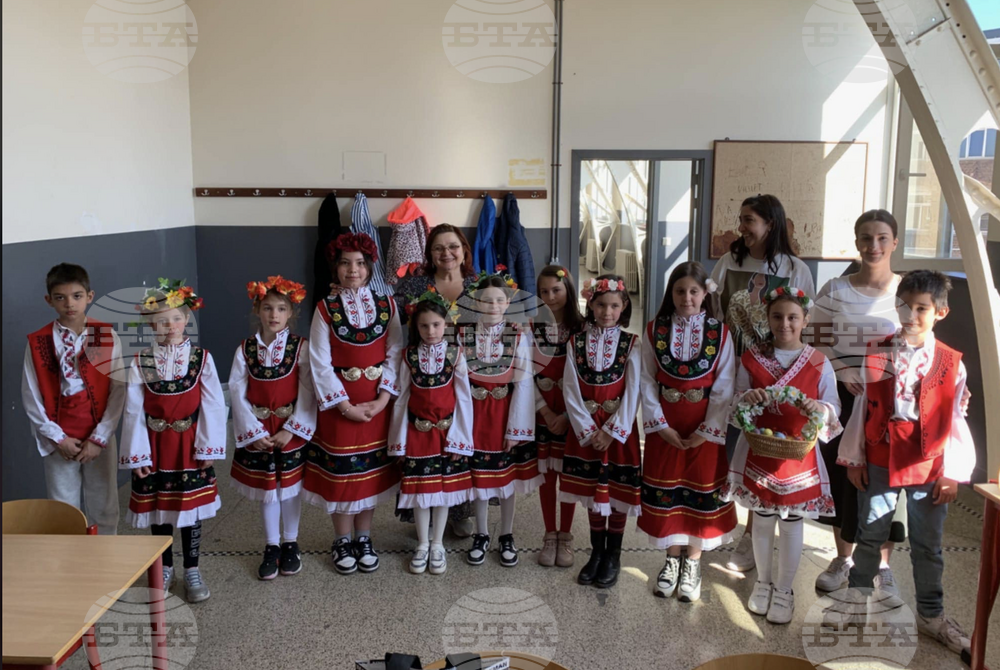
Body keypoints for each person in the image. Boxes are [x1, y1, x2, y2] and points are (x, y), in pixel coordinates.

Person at [831, 270, 976, 656]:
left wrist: (952, 473)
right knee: (869, 535)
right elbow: (863, 407)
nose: (911, 315)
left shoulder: (952, 363)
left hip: (929, 464)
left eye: (921, 308)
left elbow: (954, 420)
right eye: (904, 306)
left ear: (940, 312)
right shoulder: (876, 352)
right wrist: (855, 458)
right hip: (879, 457)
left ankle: (931, 614)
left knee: (928, 544)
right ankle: (857, 601)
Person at [721, 287, 842, 624]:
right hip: (759, 450)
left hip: (798, 457)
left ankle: (785, 589)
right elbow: (735, 400)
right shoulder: (751, 359)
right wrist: (746, 399)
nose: (784, 324)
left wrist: (818, 408)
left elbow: (833, 406)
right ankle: (763, 582)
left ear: (805, 320)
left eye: (792, 317)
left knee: (790, 522)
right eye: (777, 316)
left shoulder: (819, 362)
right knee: (761, 518)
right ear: (767, 318)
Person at [710, 193, 816, 572]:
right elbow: (715, 312)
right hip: (730, 372)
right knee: (729, 452)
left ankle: (751, 535)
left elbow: (803, 322)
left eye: (749, 220)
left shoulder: (794, 268)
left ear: (770, 224)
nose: (742, 227)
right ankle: (720, 525)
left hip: (773, 378)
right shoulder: (729, 262)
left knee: (762, 456)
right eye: (741, 219)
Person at [808, 210, 909, 595]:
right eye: (866, 238)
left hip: (892, 404)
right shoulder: (836, 289)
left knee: (887, 482)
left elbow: (919, 342)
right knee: (844, 481)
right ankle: (843, 559)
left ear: (894, 242)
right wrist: (842, 370)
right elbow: (813, 339)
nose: (874, 246)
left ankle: (883, 565)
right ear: (857, 242)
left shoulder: (907, 291)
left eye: (882, 238)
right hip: (846, 398)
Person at [119, 279, 227, 603]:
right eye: (162, 321)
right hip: (155, 446)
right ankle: (164, 568)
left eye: (176, 318)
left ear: (186, 320)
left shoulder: (201, 359)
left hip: (189, 446)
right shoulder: (141, 361)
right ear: (151, 324)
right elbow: (133, 410)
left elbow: (213, 404)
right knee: (160, 509)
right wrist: (137, 455)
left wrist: (208, 446)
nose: (170, 326)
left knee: (189, 508)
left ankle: (192, 569)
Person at [638, 262, 738, 602]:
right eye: (680, 291)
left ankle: (693, 562)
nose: (687, 298)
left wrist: (706, 431)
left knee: (699, 491)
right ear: (671, 293)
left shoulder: (720, 333)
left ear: (705, 293)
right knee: (668, 491)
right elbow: (646, 380)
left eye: (694, 291)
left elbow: (724, 385)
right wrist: (659, 425)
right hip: (665, 427)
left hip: (704, 429)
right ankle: (671, 559)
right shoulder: (654, 330)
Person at [304, 234, 404, 575]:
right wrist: (345, 406)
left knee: (368, 474)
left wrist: (382, 400)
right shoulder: (325, 309)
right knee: (343, 474)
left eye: (360, 263)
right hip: (340, 407)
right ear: (336, 267)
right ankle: (341, 539)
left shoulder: (388, 306)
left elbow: (395, 352)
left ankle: (364, 537)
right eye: (345, 263)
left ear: (370, 267)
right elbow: (319, 361)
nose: (353, 270)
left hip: (376, 403)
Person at [22, 263, 124, 535]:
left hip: (99, 433)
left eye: (77, 296)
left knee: (104, 505)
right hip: (59, 437)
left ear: (89, 296)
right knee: (63, 508)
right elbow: (31, 395)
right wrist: (58, 438)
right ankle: (69, 559)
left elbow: (117, 390)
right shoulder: (39, 341)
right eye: (60, 297)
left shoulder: (105, 335)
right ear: (49, 300)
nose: (69, 303)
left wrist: (99, 437)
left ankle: (106, 555)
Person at [391, 223, 478, 536]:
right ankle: (422, 512)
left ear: (464, 249)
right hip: (423, 376)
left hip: (469, 375)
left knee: (458, 445)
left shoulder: (478, 285)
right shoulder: (415, 286)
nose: (446, 253)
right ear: (429, 253)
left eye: (453, 246)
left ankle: (459, 511)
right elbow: (390, 316)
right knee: (424, 443)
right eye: (438, 248)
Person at [229, 276, 315, 580]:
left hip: (289, 429)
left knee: (288, 489)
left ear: (291, 312)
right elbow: (237, 392)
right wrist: (253, 432)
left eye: (280, 309)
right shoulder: (245, 350)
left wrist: (292, 429)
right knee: (268, 490)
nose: (274, 315)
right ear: (257, 310)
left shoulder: (300, 347)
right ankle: (271, 545)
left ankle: (290, 542)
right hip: (261, 430)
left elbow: (308, 391)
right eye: (267, 308)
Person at [560, 274, 642, 589]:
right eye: (601, 305)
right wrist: (586, 429)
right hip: (587, 431)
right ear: (591, 305)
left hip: (618, 432)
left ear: (624, 307)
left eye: (614, 306)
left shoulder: (632, 343)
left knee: (617, 493)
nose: (607, 312)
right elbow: (570, 389)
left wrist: (612, 431)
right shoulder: (576, 342)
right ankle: (596, 552)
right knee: (592, 490)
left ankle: (613, 555)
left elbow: (633, 391)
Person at [388, 292, 475, 575]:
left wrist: (460, 439)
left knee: (442, 492)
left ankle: (438, 544)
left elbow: (464, 399)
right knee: (420, 491)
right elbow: (401, 398)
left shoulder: (455, 355)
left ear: (446, 324)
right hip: (417, 434)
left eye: (436, 324)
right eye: (424, 326)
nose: (431, 331)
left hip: (447, 435)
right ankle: (422, 543)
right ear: (416, 327)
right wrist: (398, 442)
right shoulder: (409, 356)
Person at [457, 270, 540, 568]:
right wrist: (460, 425)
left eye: (498, 301)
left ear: (507, 303)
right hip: (474, 415)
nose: (492, 306)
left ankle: (506, 534)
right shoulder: (463, 334)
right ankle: (481, 534)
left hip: (505, 414)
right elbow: (457, 382)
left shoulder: (518, 335)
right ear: (476, 302)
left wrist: (516, 429)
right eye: (486, 300)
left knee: (507, 479)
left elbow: (524, 381)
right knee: (479, 478)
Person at [531, 265, 583, 568]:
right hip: (543, 412)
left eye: (556, 290)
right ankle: (549, 533)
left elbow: (588, 378)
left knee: (569, 476)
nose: (550, 297)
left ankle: (566, 535)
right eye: (544, 291)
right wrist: (546, 412)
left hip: (572, 414)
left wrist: (565, 415)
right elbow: (525, 374)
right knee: (547, 477)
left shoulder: (583, 328)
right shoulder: (532, 327)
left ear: (568, 290)